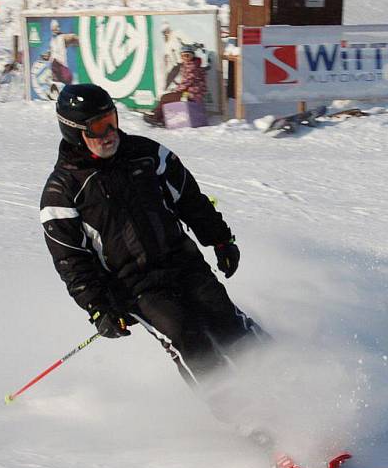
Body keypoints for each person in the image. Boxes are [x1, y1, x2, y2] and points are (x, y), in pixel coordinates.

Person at [40, 83, 262, 393]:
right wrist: (99, 307)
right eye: (98, 127)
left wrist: (220, 239)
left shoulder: (147, 155)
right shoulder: (62, 192)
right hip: (135, 286)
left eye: (112, 121)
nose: (109, 133)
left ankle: (289, 379)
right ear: (74, 131)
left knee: (228, 322)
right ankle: (245, 412)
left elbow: (189, 198)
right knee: (188, 338)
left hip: (184, 263)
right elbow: (71, 260)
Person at [145, 44, 207, 126]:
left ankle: (156, 117)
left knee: (165, 97)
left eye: (188, 55)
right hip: (192, 94)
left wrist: (176, 90)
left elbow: (187, 82)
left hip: (192, 95)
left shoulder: (192, 66)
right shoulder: (192, 65)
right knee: (169, 98)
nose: (185, 58)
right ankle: (161, 118)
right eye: (183, 56)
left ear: (192, 55)